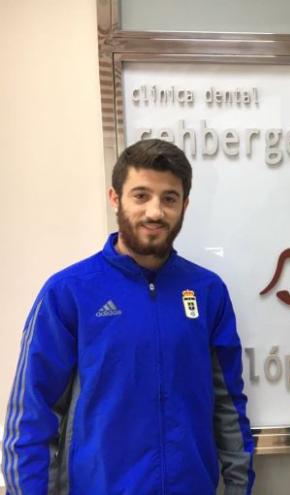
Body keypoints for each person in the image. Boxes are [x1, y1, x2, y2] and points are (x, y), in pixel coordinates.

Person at [2, 139, 255, 494]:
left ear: (184, 205)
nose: (155, 211)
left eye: (169, 198)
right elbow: (32, 419)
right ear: (115, 198)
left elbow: (229, 407)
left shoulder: (208, 291)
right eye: (141, 195)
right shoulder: (68, 292)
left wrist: (240, 488)